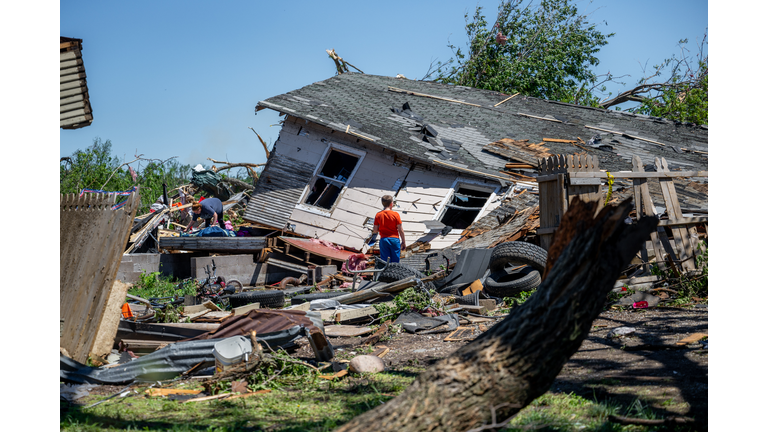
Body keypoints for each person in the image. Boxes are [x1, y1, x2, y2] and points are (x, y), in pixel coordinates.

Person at [370, 195, 406, 263]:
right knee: (395, 263)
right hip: (394, 240)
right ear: (391, 203)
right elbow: (400, 230)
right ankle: (394, 273)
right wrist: (403, 242)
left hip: (384, 240)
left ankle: (386, 273)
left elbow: (375, 230)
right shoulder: (396, 214)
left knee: (385, 262)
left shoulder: (378, 215)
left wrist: (383, 228)